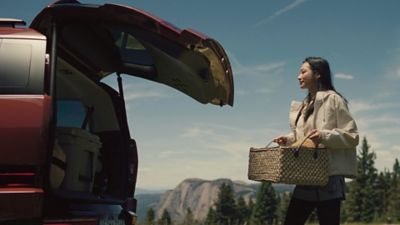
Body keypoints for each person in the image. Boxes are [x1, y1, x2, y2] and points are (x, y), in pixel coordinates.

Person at [273, 57, 359, 225]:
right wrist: (288, 140)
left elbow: (352, 136)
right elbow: (304, 136)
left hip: (329, 179)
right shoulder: (305, 105)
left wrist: (324, 136)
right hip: (306, 177)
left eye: (303, 71)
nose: (299, 76)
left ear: (318, 74)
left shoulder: (334, 100)